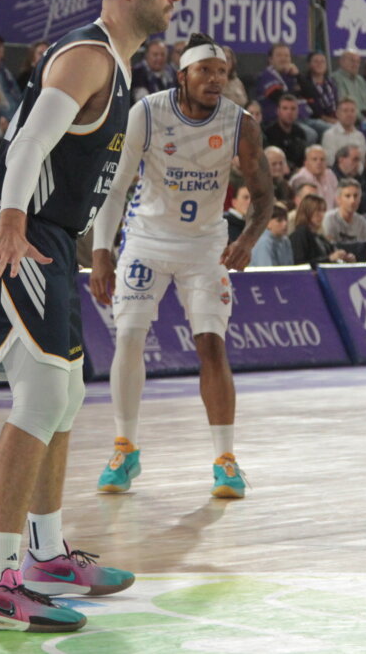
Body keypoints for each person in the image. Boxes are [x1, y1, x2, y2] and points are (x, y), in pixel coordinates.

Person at [0, 0, 178, 633]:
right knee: (43, 391)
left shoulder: (114, 67)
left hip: (48, 234)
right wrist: (13, 224)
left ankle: (47, 556)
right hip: (17, 226)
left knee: (64, 395)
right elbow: (25, 145)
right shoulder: (86, 56)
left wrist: (96, 249)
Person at [90, 32, 272, 500]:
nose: (216, 80)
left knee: (211, 345)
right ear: (182, 75)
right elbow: (116, 186)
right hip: (147, 240)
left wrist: (248, 239)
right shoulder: (147, 112)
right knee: (128, 337)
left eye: (223, 73)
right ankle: (124, 448)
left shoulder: (240, 123)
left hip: (205, 245)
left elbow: (265, 194)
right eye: (206, 72)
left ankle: (226, 460)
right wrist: (102, 252)